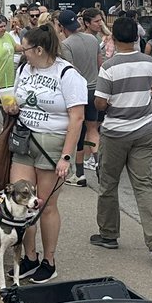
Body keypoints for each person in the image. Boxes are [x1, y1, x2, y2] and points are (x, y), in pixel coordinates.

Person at [1, 24, 86, 286]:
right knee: (21, 203)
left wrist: (67, 156)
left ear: (39, 49)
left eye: (25, 48)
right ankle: (29, 256)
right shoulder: (26, 69)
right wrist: (13, 108)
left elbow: (77, 117)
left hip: (53, 143)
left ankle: (49, 260)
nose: (21, 52)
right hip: (24, 139)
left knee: (46, 206)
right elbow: (18, 97)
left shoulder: (67, 74)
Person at [91, 17, 152, 264]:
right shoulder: (150, 63)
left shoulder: (110, 67)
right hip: (144, 129)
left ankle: (109, 233)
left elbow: (100, 102)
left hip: (115, 132)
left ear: (113, 38)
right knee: (145, 185)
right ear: (137, 38)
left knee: (108, 183)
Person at [58, 9, 101, 185]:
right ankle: (99, 162)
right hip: (95, 87)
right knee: (92, 130)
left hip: (79, 91)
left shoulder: (66, 45)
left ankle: (80, 173)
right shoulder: (92, 39)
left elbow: (70, 70)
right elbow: (100, 64)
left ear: (61, 27)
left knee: (78, 133)